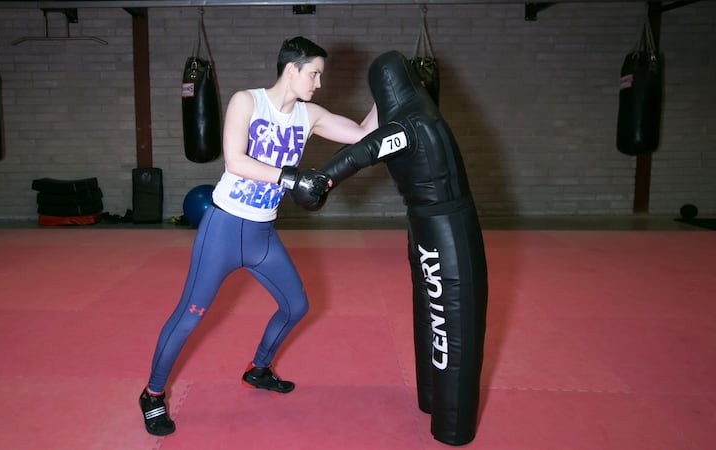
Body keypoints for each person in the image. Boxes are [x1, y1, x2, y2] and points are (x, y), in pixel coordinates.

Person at [139, 36, 378, 437]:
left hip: (262, 233)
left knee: (296, 305)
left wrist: (392, 90)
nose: (318, 83)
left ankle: (258, 368)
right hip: (224, 228)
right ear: (292, 69)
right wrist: (291, 177)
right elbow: (234, 160)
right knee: (190, 316)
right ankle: (152, 395)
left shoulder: (310, 115)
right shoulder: (246, 102)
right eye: (314, 74)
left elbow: (361, 134)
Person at [294, 50, 488, 446]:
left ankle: (454, 425)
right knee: (430, 310)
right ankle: (431, 398)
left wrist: (322, 180)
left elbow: (365, 151)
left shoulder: (411, 125)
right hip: (425, 224)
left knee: (448, 316)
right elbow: (370, 133)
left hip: (447, 228)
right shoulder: (413, 112)